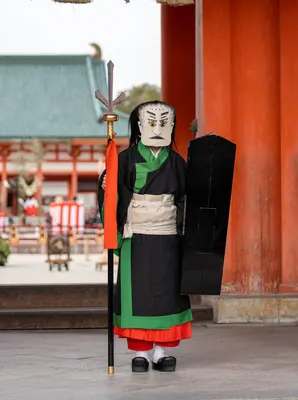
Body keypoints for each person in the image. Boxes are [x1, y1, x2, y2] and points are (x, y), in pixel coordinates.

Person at [98, 100, 192, 373]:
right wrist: (107, 184)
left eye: (164, 121)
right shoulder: (125, 160)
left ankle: (162, 352)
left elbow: (186, 199)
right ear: (139, 125)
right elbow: (112, 195)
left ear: (171, 126)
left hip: (167, 237)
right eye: (152, 121)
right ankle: (140, 352)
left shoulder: (176, 162)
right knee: (137, 294)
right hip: (135, 236)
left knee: (167, 294)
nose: (158, 126)